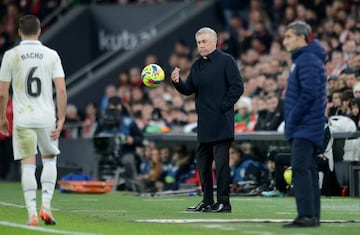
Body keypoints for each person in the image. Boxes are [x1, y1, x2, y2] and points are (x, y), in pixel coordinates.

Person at [0, 15, 67, 226]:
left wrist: (2, 116)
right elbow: (61, 89)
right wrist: (62, 118)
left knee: (27, 164)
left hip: (23, 118)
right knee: (49, 159)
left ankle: (31, 213)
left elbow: (3, 92)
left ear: (19, 32)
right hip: (47, 116)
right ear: (39, 31)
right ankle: (46, 205)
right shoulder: (51, 55)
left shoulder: (11, 55)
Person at [171, 27, 243, 213]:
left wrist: (223, 107)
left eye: (204, 41)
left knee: (221, 166)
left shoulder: (226, 60)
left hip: (221, 122)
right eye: (199, 42)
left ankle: (224, 202)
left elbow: (237, 87)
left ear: (214, 42)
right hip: (204, 124)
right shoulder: (196, 65)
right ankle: (207, 201)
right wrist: (178, 82)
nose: (201, 45)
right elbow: (188, 89)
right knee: (202, 165)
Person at [282, 21, 327, 228]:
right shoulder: (307, 58)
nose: (285, 41)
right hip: (308, 124)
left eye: (288, 36)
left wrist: (292, 117)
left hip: (305, 125)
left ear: (301, 37)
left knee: (300, 169)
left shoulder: (307, 59)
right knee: (307, 170)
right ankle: (312, 216)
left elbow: (309, 93)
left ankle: (306, 216)